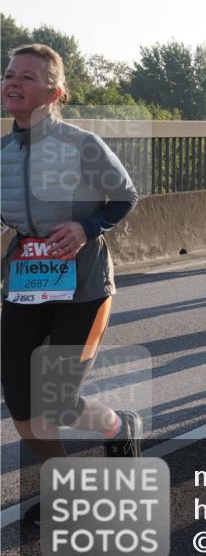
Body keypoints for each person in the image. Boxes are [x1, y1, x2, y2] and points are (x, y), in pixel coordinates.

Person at [1, 44, 143, 528]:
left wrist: (87, 226)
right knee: (22, 403)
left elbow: (124, 196)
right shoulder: (1, 152)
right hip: (25, 281)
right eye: (9, 74)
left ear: (55, 92)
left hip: (81, 283)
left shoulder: (81, 144)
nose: (13, 82)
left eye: (27, 76)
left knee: (56, 398)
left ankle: (120, 426)